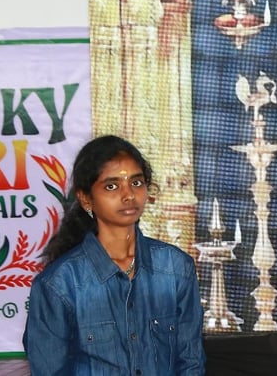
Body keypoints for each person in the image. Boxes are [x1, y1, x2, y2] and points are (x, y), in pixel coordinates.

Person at [24, 135, 206, 375]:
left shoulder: (175, 267)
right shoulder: (59, 284)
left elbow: (191, 363)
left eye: (136, 182)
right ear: (86, 199)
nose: (128, 195)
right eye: (111, 186)